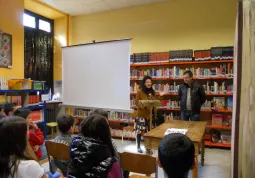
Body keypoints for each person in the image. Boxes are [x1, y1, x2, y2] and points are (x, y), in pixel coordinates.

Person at [135, 75, 164, 153]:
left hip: (151, 115)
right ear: (144, 83)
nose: (149, 83)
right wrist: (144, 106)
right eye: (147, 82)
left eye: (150, 82)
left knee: (149, 132)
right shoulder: (139, 92)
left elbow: (155, 103)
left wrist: (160, 97)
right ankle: (138, 146)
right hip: (142, 115)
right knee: (140, 131)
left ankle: (148, 147)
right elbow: (137, 103)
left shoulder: (152, 92)